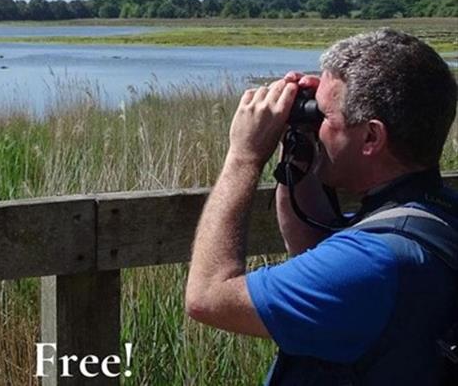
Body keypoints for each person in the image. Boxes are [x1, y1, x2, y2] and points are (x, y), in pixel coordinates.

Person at [184, 28, 458, 384]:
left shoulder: (371, 263)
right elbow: (314, 250)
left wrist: (243, 157)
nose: (318, 123)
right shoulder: (435, 217)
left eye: (325, 116)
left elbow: (207, 298)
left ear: (371, 137)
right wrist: (301, 153)